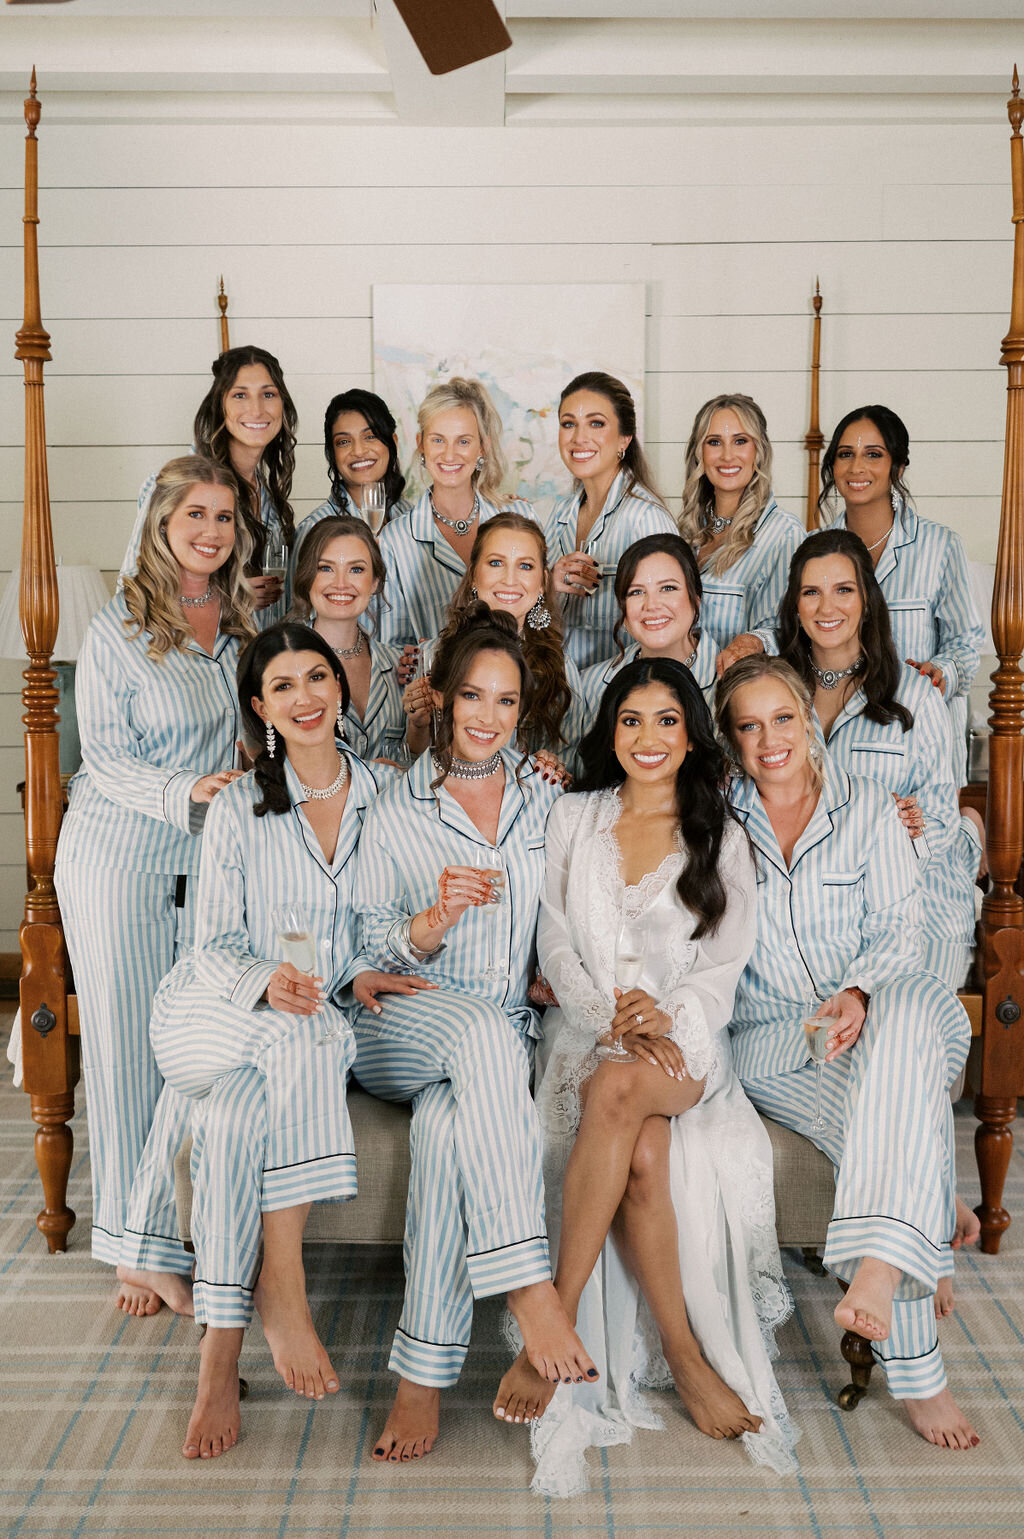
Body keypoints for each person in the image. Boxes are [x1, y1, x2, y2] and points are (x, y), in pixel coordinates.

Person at [494, 658, 799, 1496]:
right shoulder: (573, 816)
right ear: (610, 731)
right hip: (585, 1030)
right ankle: (688, 1354)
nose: (649, 737)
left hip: (683, 1047)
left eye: (667, 720)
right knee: (644, 1154)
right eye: (631, 720)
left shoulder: (723, 836)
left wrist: (665, 1020)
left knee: (626, 1087)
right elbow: (552, 939)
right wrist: (606, 1015)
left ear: (692, 734)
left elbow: (723, 967)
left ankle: (545, 1323)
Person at [138, 623, 426, 1459]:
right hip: (206, 1014)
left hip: (293, 1026)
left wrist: (369, 967)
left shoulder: (384, 791)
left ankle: (219, 1355)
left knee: (233, 1119)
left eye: (317, 677)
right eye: (283, 686)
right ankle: (283, 1284)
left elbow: (378, 920)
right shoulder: (236, 806)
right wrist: (264, 979)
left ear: (340, 688)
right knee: (309, 1039)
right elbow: (211, 944)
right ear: (260, 707)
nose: (304, 697)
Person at [350, 606, 596, 1464]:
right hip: (401, 1019)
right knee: (482, 1036)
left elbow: (573, 909)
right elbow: (363, 944)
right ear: (446, 699)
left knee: (451, 1124)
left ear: (522, 707)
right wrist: (432, 919)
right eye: (471, 697)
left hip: (493, 1039)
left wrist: (549, 970)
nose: (486, 715)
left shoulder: (544, 797)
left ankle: (420, 1376)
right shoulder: (394, 805)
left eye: (504, 700)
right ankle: (528, 1284)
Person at [717, 655, 978, 1451]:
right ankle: (923, 1229)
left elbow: (902, 933)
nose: (769, 740)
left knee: (900, 1020)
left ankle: (877, 1270)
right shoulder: (719, 823)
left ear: (809, 719)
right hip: (784, 1045)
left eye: (783, 719)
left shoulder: (869, 809)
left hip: (891, 1011)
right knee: (897, 1114)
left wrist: (860, 991)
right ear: (731, 740)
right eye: (749, 726)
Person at [54, 455, 255, 1313]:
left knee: (187, 1049)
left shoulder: (239, 623)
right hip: (119, 860)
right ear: (161, 524)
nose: (210, 531)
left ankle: (171, 1224)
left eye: (223, 517)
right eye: (195, 516)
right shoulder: (115, 630)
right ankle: (133, 1250)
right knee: (127, 1049)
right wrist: (186, 792)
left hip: (198, 865)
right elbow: (102, 756)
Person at [778, 528, 981, 993]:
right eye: (812, 592)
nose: (827, 608)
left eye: (843, 590)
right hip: (816, 912)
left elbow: (938, 821)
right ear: (795, 605)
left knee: (902, 1032)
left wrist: (896, 832)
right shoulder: (775, 693)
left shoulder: (914, 695)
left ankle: (976, 837)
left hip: (917, 908)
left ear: (867, 600)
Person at [818, 404, 984, 781]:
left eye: (873, 454)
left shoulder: (939, 546)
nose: (857, 467)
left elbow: (966, 644)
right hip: (838, 747)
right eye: (846, 454)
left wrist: (940, 673)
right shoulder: (813, 550)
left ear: (898, 467)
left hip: (918, 746)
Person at [121, 345, 298, 627]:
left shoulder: (270, 498)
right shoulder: (174, 486)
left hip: (260, 662)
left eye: (268, 394)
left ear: (283, 406)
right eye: (240, 395)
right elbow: (132, 591)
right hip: (196, 661)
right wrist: (233, 596)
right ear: (220, 405)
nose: (256, 408)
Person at [401, 511, 583, 765]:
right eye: (496, 563)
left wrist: (552, 765)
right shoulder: (430, 657)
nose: (510, 580)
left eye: (525, 566)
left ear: (542, 582)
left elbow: (571, 762)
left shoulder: (560, 668)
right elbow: (413, 766)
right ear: (474, 573)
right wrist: (417, 726)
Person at [377, 377, 535, 647]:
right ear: (421, 444)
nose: (450, 455)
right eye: (438, 440)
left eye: (463, 441)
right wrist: (407, 660)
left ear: (482, 446)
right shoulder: (395, 540)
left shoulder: (521, 516)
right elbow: (395, 645)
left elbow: (542, 616)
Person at [544, 371, 677, 670]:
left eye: (596, 423)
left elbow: (672, 629)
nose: (579, 438)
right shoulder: (558, 514)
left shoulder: (647, 520)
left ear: (624, 438)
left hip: (620, 698)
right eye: (569, 424)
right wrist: (548, 584)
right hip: (560, 694)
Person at [678, 393, 804, 672]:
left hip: (738, 694)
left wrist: (753, 640)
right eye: (714, 442)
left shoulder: (784, 534)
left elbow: (789, 629)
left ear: (759, 450)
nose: (727, 455)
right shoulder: (686, 533)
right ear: (699, 453)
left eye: (740, 441)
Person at [289, 515, 409, 764]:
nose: (341, 584)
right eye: (326, 568)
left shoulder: (401, 665)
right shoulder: (282, 667)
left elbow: (416, 756)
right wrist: (367, 775)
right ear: (307, 577)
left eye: (356, 569)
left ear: (375, 581)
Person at [577, 532, 719, 740]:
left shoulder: (734, 684)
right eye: (636, 592)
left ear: (695, 600)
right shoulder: (589, 685)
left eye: (668, 588)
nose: (651, 605)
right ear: (623, 609)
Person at [291, 388, 411, 564]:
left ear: (393, 443)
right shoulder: (312, 529)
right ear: (332, 454)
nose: (358, 451)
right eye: (344, 442)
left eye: (370, 437)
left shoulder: (412, 518)